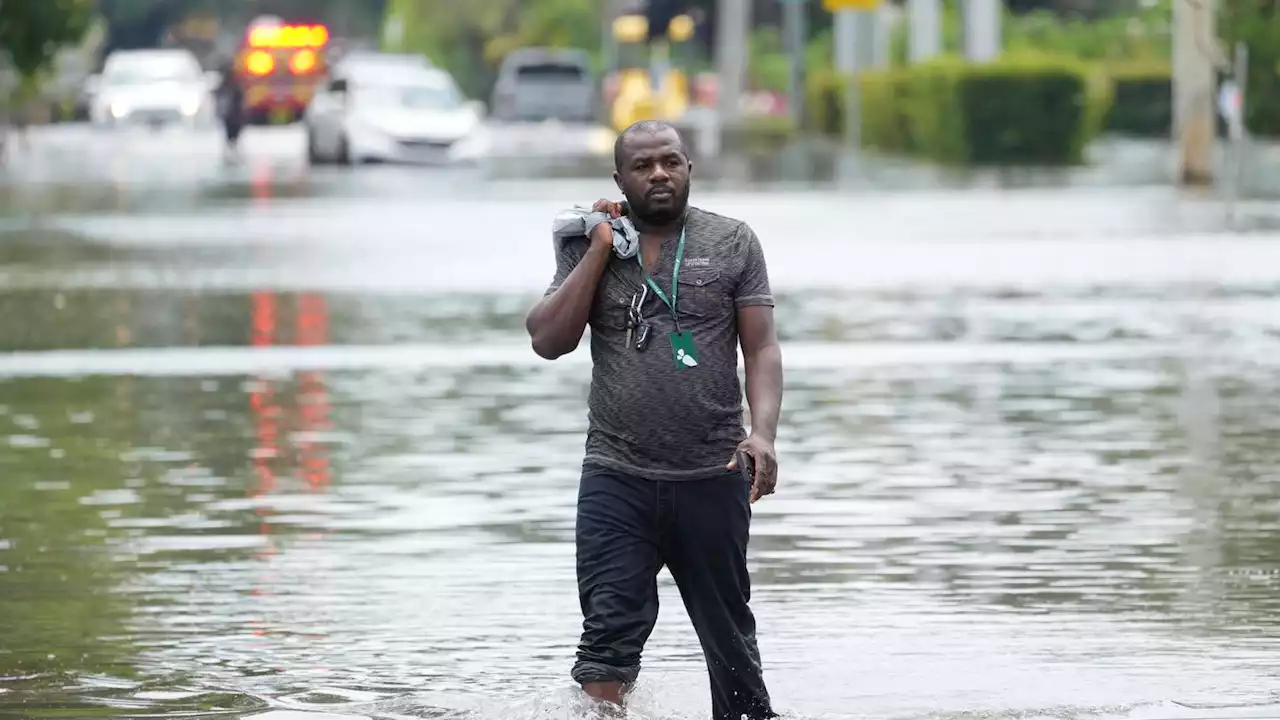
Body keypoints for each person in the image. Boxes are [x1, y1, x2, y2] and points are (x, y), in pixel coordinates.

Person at [524, 120, 784, 720]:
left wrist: (763, 433)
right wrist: (596, 250)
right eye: (643, 166)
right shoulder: (588, 243)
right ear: (620, 179)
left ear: (689, 168)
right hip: (617, 477)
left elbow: (762, 347)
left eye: (670, 161)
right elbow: (547, 340)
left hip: (714, 475)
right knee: (606, 644)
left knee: (732, 648)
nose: (659, 173)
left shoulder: (733, 241)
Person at [214, 57, 244, 158]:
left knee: (231, 133)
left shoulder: (232, 84)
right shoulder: (230, 84)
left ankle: (231, 149)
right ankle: (231, 149)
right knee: (231, 133)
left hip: (232, 114)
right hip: (232, 114)